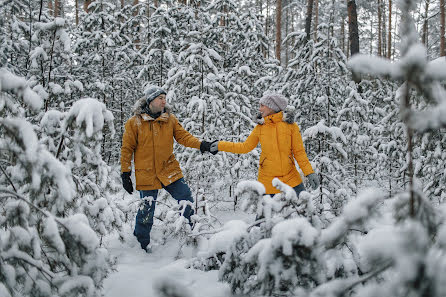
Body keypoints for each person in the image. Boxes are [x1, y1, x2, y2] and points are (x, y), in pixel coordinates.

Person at [120, 86, 215, 253]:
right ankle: (141, 247)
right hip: (147, 173)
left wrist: (202, 144)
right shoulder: (134, 123)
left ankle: (196, 235)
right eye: (160, 98)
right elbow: (127, 149)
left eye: (165, 98)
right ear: (150, 101)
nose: (164, 101)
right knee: (146, 212)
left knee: (186, 199)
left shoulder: (169, 120)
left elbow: (183, 137)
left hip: (169, 170)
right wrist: (125, 173)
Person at [202, 92, 319, 197]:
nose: (260, 109)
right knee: (264, 219)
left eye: (262, 105)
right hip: (268, 181)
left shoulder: (291, 127)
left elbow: (299, 153)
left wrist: (309, 172)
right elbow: (244, 147)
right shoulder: (260, 128)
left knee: (304, 213)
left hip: (291, 179)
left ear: (273, 107)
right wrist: (220, 145)